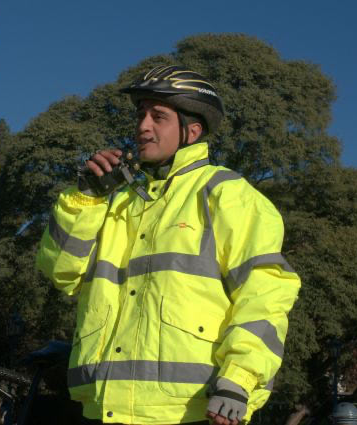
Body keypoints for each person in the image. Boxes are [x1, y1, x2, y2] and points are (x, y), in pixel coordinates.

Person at [36, 65, 301, 425]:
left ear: (192, 131)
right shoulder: (115, 200)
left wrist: (238, 380)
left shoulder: (227, 194)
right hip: (103, 409)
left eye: (158, 116)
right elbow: (61, 273)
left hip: (193, 412)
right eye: (140, 115)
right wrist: (85, 198)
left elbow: (265, 295)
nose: (143, 126)